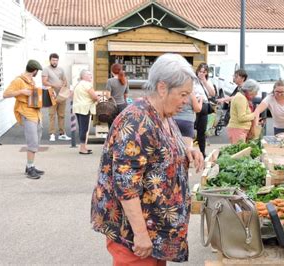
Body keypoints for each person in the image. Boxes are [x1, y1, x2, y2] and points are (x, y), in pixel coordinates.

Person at [90, 53, 204, 265]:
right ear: (162, 88)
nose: (187, 101)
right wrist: (141, 235)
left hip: (156, 231)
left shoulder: (163, 115)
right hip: (135, 235)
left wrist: (187, 151)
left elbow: (162, 151)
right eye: (183, 94)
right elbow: (126, 185)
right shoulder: (137, 120)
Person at [3, 59, 45, 179]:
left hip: (36, 114)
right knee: (32, 142)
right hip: (27, 114)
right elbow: (5, 94)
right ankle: (30, 168)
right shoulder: (18, 80)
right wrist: (21, 91)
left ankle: (30, 165)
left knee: (35, 141)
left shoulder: (31, 80)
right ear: (35, 70)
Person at [42, 53, 71, 141]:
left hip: (61, 95)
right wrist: (54, 85)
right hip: (52, 95)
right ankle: (52, 134)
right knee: (52, 115)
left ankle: (62, 134)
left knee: (61, 115)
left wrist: (64, 86)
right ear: (50, 60)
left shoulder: (61, 69)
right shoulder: (46, 69)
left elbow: (64, 80)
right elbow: (44, 81)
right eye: (53, 60)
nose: (55, 62)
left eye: (56, 60)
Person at [72, 70, 99, 155]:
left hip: (78, 108)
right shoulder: (87, 84)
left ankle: (83, 147)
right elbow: (94, 97)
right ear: (83, 76)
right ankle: (82, 148)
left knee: (81, 128)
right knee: (84, 129)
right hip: (85, 108)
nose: (91, 75)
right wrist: (98, 98)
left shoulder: (78, 84)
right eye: (88, 74)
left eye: (91, 74)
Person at [226, 79, 260, 144]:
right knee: (240, 152)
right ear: (249, 90)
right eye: (255, 92)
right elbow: (241, 117)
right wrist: (254, 115)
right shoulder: (240, 98)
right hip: (237, 129)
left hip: (240, 129)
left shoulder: (242, 97)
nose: (255, 95)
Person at [193, 63, 216, 157]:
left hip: (204, 106)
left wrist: (204, 82)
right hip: (194, 105)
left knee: (201, 131)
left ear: (206, 73)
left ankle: (202, 152)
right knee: (191, 130)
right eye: (200, 71)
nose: (201, 73)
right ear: (197, 71)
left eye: (204, 72)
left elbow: (212, 93)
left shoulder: (207, 81)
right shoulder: (193, 80)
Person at [106, 63, 130, 129]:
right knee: (121, 126)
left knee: (112, 127)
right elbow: (126, 95)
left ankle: (112, 139)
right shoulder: (125, 80)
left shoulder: (110, 81)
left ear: (112, 71)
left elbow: (108, 96)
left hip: (112, 106)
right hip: (122, 106)